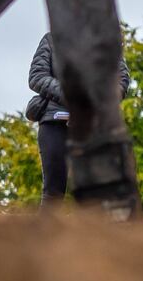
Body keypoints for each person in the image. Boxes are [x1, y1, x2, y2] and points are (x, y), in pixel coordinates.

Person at [28, 32, 130, 205]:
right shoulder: (51, 39)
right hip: (54, 122)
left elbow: (122, 81)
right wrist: (73, 97)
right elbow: (36, 76)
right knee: (53, 190)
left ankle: (91, 232)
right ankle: (46, 231)